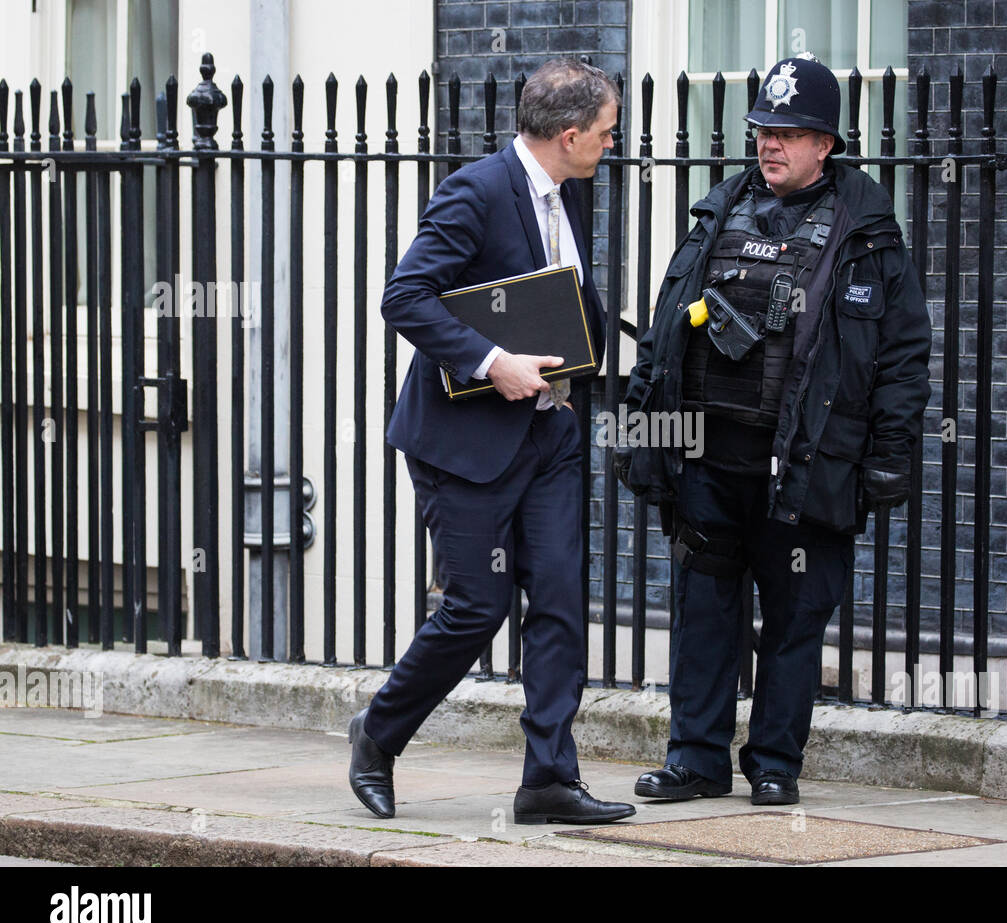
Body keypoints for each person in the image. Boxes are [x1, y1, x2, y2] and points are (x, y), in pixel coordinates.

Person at [616, 53, 931, 806]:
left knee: (794, 618)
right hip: (708, 460)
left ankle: (774, 766)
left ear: (827, 143)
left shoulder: (868, 230)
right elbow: (665, 328)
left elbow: (903, 357)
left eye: (789, 133)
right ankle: (695, 760)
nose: (770, 144)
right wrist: (641, 429)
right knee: (702, 612)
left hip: (808, 466)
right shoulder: (718, 209)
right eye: (763, 130)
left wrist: (889, 461)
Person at [349, 58, 634, 826]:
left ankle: (547, 779)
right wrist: (490, 361)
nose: (613, 144)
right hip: (466, 443)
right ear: (569, 134)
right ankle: (377, 735)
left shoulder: (565, 190)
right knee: (477, 608)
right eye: (606, 134)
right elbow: (404, 296)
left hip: (551, 433)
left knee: (562, 603)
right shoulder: (476, 191)